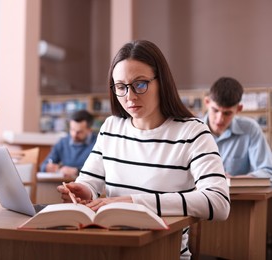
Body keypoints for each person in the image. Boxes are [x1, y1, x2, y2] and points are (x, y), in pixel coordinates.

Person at [57, 40, 230, 260]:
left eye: (140, 84)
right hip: (109, 248)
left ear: (162, 82)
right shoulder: (111, 127)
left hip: (163, 253)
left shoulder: (193, 132)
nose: (129, 97)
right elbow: (90, 181)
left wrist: (135, 202)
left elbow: (219, 203)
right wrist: (84, 190)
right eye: (121, 86)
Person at [203, 77, 272, 178]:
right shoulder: (192, 130)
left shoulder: (251, 129)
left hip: (240, 193)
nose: (219, 119)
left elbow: (268, 171)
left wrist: (237, 181)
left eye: (227, 113)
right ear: (207, 102)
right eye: (215, 110)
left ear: (239, 109)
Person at [40, 109, 97, 177]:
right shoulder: (63, 142)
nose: (74, 134)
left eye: (79, 132)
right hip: (65, 183)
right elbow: (43, 166)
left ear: (89, 130)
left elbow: (99, 170)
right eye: (72, 129)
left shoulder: (98, 144)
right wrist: (48, 167)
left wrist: (77, 171)